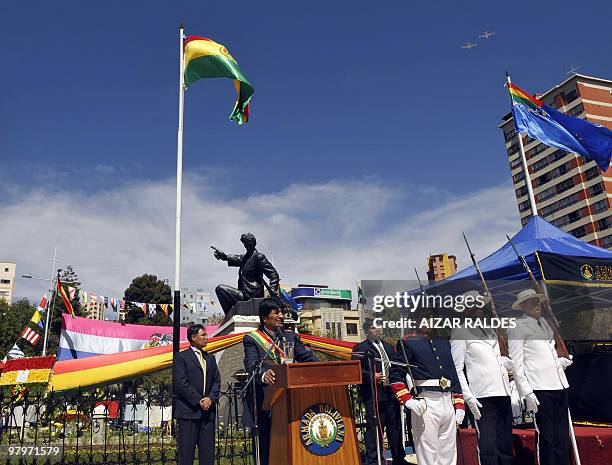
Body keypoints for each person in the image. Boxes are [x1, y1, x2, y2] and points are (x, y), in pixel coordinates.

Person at [243, 298, 318, 465]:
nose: (281, 316)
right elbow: (251, 363)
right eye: (276, 313)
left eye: (282, 312)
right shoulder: (252, 339)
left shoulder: (289, 336)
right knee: (268, 446)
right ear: (264, 317)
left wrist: (324, 368)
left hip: (293, 400)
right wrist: (263, 374)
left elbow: (308, 358)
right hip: (267, 400)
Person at [508, 289, 573, 465]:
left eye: (537, 301)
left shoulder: (544, 322)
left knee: (561, 437)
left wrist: (561, 362)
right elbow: (517, 363)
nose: (537, 305)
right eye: (531, 302)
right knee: (547, 437)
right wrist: (526, 392)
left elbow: (549, 352)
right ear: (523, 306)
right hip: (540, 388)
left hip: (559, 384)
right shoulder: (518, 327)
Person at [390, 316, 464, 465]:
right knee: (427, 453)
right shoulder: (408, 343)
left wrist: (459, 404)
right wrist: (407, 399)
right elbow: (395, 374)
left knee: (448, 452)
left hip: (447, 401)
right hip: (426, 402)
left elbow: (453, 374)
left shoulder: (444, 343)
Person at [450, 291, 513, 465]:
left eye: (479, 305)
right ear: (466, 310)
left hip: (503, 391)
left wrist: (514, 362)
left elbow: (499, 359)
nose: (478, 309)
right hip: (482, 396)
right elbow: (457, 369)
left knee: (505, 443)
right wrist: (468, 397)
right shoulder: (460, 332)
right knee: (488, 446)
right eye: (473, 306)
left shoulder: (491, 331)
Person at [352, 320, 409, 465]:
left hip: (391, 394)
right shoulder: (360, 348)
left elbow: (397, 366)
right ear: (366, 331)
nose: (377, 330)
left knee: (395, 428)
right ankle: (374, 461)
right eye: (373, 328)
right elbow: (356, 370)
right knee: (374, 430)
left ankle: (399, 458)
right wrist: (372, 375)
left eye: (379, 326)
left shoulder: (389, 348)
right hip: (374, 395)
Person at [173, 324, 221, 465]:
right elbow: (181, 383)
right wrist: (199, 400)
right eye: (203, 335)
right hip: (189, 413)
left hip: (208, 414)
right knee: (186, 455)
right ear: (193, 337)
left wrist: (210, 398)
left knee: (207, 456)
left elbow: (217, 381)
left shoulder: (210, 358)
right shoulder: (181, 357)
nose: (207, 338)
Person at [213, 233, 280, 315]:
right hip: (244, 294)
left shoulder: (259, 257)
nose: (247, 246)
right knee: (220, 290)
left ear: (254, 243)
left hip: (253, 296)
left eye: (249, 243)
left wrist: (272, 290)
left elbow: (273, 275)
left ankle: (232, 314)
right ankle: (230, 315)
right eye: (245, 244)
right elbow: (233, 258)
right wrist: (223, 256)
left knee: (220, 288)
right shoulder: (244, 258)